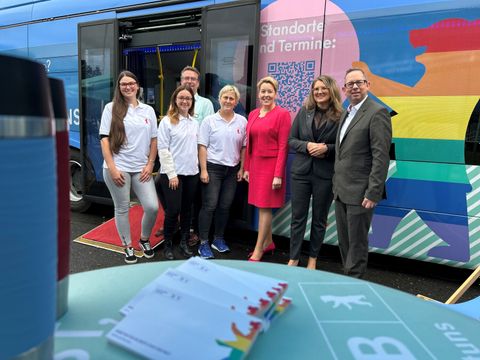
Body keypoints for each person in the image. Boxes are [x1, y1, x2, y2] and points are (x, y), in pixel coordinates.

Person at [333, 68, 392, 278]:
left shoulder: (377, 113)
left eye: (359, 82)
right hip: (341, 190)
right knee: (345, 241)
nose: (355, 87)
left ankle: (354, 285)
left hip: (360, 192)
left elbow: (381, 156)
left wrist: (373, 191)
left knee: (357, 243)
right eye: (350, 84)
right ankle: (347, 279)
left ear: (368, 85)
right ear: (344, 89)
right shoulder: (346, 113)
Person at [99, 70, 159, 264]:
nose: (128, 87)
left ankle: (144, 239)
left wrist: (150, 164)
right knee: (122, 208)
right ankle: (128, 246)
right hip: (118, 167)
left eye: (131, 83)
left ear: (137, 85)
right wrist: (112, 167)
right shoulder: (111, 108)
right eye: (124, 84)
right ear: (119, 87)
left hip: (141, 168)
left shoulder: (148, 110)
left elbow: (154, 140)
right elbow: (104, 139)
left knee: (152, 207)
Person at [288, 75, 343, 270]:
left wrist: (326, 149)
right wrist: (308, 145)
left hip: (325, 175)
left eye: (323, 89)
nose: (319, 92)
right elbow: (291, 140)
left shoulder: (341, 115)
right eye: (316, 89)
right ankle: (294, 258)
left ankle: (313, 258)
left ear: (331, 91)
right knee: (298, 218)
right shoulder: (304, 112)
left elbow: (343, 146)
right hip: (301, 174)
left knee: (319, 220)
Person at [243, 76, 291, 262]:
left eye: (269, 91)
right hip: (255, 165)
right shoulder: (253, 114)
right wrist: (247, 167)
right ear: (258, 93)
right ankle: (268, 242)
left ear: (276, 93)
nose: (266, 95)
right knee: (260, 207)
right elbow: (250, 143)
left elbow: (283, 146)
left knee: (264, 209)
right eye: (263, 91)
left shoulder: (282, 114)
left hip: (271, 168)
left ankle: (258, 249)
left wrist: (278, 174)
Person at [197, 85, 247, 259]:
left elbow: (244, 147)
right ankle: (203, 242)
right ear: (219, 99)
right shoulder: (209, 121)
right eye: (225, 97)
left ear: (236, 101)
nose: (228, 101)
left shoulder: (242, 121)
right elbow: (202, 146)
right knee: (209, 205)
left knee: (225, 207)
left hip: (232, 171)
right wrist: (203, 170)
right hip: (212, 168)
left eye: (231, 98)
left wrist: (242, 168)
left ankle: (218, 239)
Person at [157, 85, 199, 260]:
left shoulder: (195, 122)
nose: (185, 101)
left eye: (188, 98)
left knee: (187, 210)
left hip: (192, 173)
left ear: (192, 101)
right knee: (173, 210)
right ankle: (168, 244)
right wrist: (172, 174)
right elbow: (163, 149)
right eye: (181, 97)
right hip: (173, 174)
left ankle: (183, 242)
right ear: (175, 100)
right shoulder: (167, 121)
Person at [179, 66, 215, 246]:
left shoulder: (206, 104)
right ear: (181, 80)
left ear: (198, 83)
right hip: (178, 158)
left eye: (193, 79)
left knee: (194, 197)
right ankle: (178, 223)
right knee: (167, 190)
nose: (189, 81)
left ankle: (192, 231)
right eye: (186, 78)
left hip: (197, 158)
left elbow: (207, 132)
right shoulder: (176, 100)